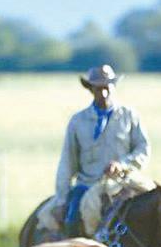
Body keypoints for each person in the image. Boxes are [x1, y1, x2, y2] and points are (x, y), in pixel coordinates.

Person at [52, 64, 151, 236]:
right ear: (91, 89)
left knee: (157, 210)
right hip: (88, 184)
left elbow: (143, 148)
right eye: (98, 89)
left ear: (114, 87)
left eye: (107, 88)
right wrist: (61, 199)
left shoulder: (129, 116)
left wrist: (122, 164)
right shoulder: (78, 121)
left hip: (124, 181)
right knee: (72, 222)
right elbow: (67, 162)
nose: (104, 93)